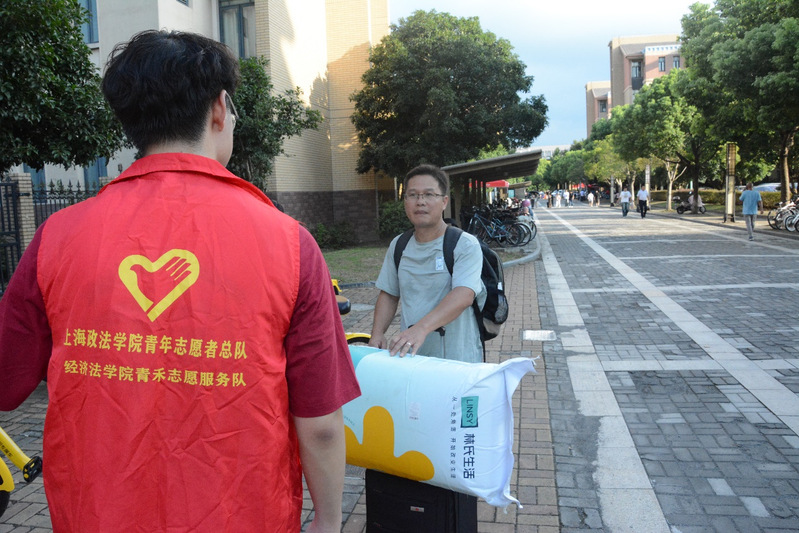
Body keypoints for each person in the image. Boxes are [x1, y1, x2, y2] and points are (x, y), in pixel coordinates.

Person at [0, 30, 360, 533]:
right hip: (240, 517)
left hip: (95, 515)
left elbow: (7, 380)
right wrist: (328, 520)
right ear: (219, 108)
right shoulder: (289, 243)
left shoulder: (57, 236)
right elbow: (320, 423)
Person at [369, 164, 486, 363]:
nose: (420, 201)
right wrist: (377, 333)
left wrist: (420, 329)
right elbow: (389, 294)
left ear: (444, 201)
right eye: (413, 195)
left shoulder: (464, 244)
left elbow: (464, 295)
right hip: (412, 359)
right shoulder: (399, 245)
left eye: (429, 194)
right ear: (405, 201)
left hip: (458, 360)